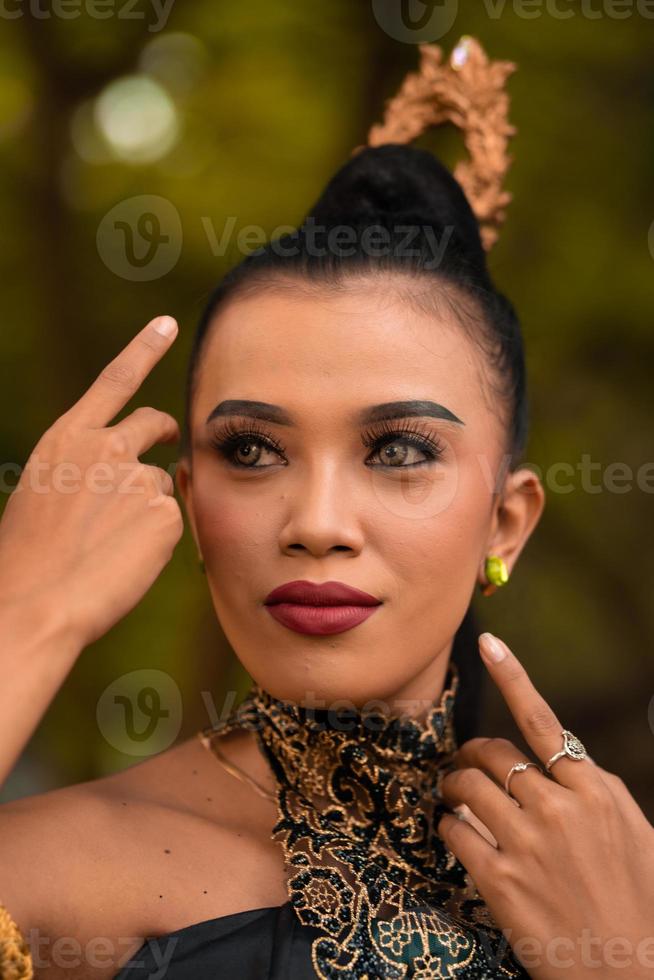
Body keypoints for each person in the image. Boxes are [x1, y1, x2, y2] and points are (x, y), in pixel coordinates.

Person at [0, 35, 652, 980]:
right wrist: (26, 610)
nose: (316, 521)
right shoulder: (55, 873)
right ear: (188, 500)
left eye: (398, 452)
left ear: (506, 523)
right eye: (252, 451)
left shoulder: (617, 875)